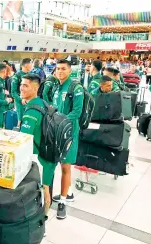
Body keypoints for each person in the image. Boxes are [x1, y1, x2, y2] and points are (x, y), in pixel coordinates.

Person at [19, 74, 55, 223]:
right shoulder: (43, 103)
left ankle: (41, 221)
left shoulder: (32, 112)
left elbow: (23, 139)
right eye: (21, 84)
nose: (21, 87)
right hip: (50, 153)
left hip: (39, 158)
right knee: (47, 187)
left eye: (25, 85)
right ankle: (44, 217)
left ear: (35, 88)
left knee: (43, 191)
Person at [52, 59, 84, 219]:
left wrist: (60, 122)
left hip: (69, 133)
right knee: (58, 164)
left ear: (70, 71)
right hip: (56, 131)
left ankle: (63, 201)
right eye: (58, 68)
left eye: (63, 69)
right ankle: (68, 192)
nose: (60, 71)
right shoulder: (57, 87)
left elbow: (77, 112)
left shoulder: (76, 88)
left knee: (66, 167)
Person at [11, 58, 33, 124]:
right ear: (26, 65)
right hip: (21, 103)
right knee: (21, 122)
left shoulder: (31, 75)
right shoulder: (17, 76)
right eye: (31, 63)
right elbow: (13, 92)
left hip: (29, 102)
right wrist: (21, 99)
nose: (32, 65)